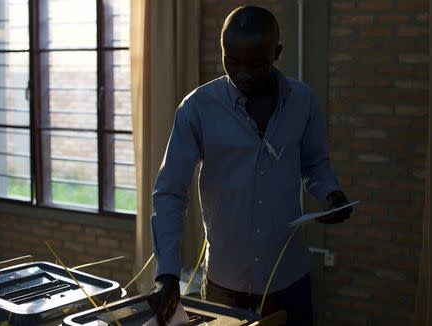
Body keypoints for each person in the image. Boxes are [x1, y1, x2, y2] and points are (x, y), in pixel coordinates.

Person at [146, 5, 352, 326]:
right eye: (232, 61)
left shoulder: (303, 101)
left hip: (290, 279)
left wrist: (331, 194)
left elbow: (314, 165)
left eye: (255, 64)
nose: (241, 73)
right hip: (225, 285)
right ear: (223, 49)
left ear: (277, 52)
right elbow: (170, 192)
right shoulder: (197, 108)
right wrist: (167, 272)